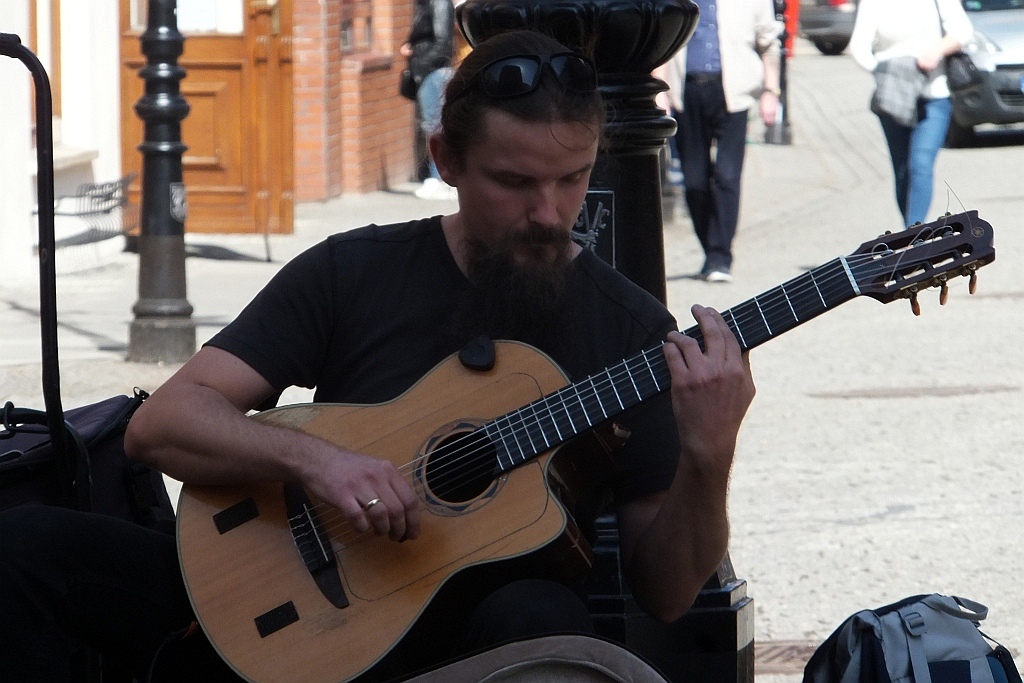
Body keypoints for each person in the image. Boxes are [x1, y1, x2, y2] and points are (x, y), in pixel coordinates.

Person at [0, 29, 755, 682]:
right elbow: (162, 425)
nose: (549, 213)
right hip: (287, 608)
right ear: (445, 159)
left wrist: (710, 451)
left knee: (544, 616)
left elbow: (667, 592)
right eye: (514, 182)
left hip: (473, 652)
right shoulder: (353, 271)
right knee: (27, 547)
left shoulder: (632, 332)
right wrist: (319, 462)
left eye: (573, 178)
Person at [664, 0, 783, 283]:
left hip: (733, 93)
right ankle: (710, 250)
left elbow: (769, 42)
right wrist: (661, 92)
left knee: (727, 175)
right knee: (693, 181)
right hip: (687, 91)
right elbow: (664, 44)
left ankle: (720, 256)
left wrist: (771, 90)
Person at [849, 0, 973, 227]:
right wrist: (887, 73)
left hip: (934, 94)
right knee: (903, 169)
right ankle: (910, 232)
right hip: (893, 96)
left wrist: (936, 50)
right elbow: (858, 47)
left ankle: (914, 235)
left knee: (920, 163)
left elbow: (963, 31)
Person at [402, 0, 458, 201]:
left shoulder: (439, 2)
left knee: (436, 126)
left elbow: (443, 42)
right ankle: (437, 178)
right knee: (433, 125)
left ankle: (439, 179)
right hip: (429, 70)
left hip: (433, 72)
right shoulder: (426, 3)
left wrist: (420, 64)